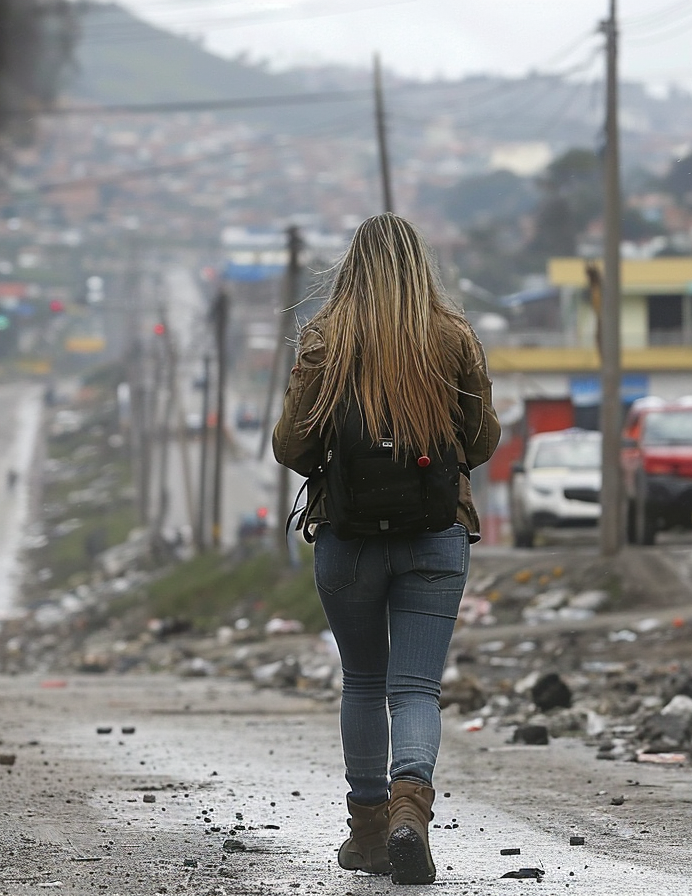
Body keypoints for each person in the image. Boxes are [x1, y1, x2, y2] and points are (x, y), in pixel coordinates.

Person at [272, 213, 499, 885]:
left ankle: (368, 833)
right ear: (419, 266)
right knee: (416, 688)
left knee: (365, 682)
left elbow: (292, 448)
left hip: (347, 542)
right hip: (434, 537)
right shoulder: (454, 338)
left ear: (353, 268)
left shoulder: (326, 338)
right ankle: (410, 811)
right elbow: (481, 443)